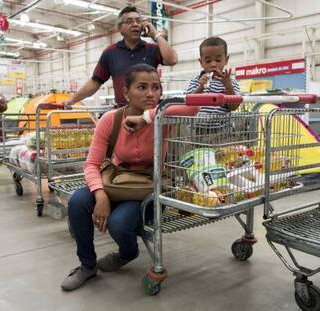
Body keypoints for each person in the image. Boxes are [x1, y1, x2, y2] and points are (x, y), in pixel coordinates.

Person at [61, 64, 199, 291]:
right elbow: (92, 164)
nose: (150, 93)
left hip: (148, 188)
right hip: (117, 181)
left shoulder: (162, 118)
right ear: (126, 93)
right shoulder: (110, 120)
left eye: (156, 88)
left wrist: (148, 117)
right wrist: (100, 195)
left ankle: (128, 253)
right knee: (77, 202)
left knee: (119, 224)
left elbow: (192, 110)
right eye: (142, 87)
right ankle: (87, 265)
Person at [63, 5, 178, 107]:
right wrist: (72, 100)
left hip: (150, 113)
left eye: (138, 21)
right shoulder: (110, 52)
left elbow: (172, 60)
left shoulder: (152, 49)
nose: (135, 24)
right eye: (129, 22)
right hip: (123, 112)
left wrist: (155, 35)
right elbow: (95, 82)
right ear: (120, 28)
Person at [185, 36, 241, 114]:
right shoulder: (196, 81)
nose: (213, 64)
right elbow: (188, 103)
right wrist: (200, 87)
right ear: (201, 62)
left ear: (226, 60)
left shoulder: (232, 82)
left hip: (222, 126)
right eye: (208, 61)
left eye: (218, 60)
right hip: (197, 125)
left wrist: (228, 86)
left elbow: (234, 107)